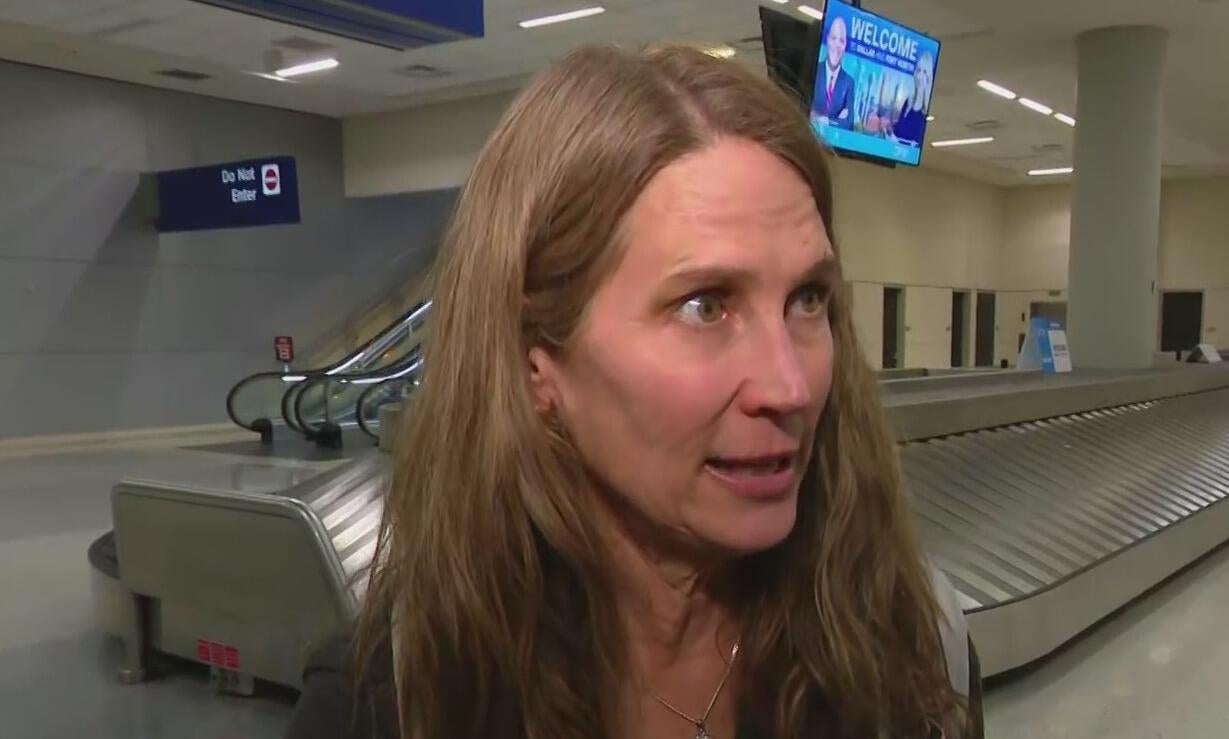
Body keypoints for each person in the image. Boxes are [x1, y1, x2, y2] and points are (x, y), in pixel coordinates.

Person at [286, 44, 982, 739]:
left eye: (807, 299)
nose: (790, 387)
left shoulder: (917, 651)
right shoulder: (393, 700)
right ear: (535, 361)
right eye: (705, 306)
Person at [810, 15, 855, 130]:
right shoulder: (814, 69)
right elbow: (804, 109)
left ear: (845, 46)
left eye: (842, 41)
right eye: (834, 38)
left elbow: (848, 123)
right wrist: (837, 120)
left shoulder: (849, 82)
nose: (837, 45)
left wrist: (825, 121)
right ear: (828, 40)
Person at [893, 50, 935, 144]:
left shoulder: (926, 110)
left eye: (925, 72)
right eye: (918, 70)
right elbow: (899, 130)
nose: (920, 76)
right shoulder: (908, 101)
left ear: (929, 78)